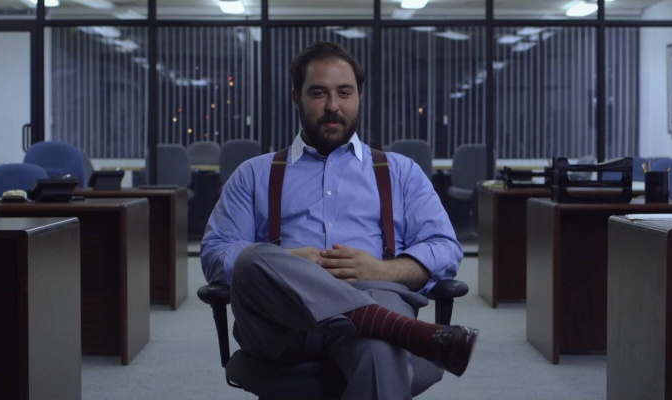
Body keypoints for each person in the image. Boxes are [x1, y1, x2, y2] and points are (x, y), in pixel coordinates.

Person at [201, 41, 478, 399]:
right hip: (283, 324)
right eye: (319, 93)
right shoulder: (253, 174)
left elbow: (445, 247)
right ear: (296, 98)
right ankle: (398, 329)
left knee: (379, 351)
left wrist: (382, 271)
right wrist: (287, 263)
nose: (333, 105)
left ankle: (378, 324)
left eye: (344, 93)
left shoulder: (401, 172)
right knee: (252, 259)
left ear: (359, 97)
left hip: (377, 294)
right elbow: (215, 253)